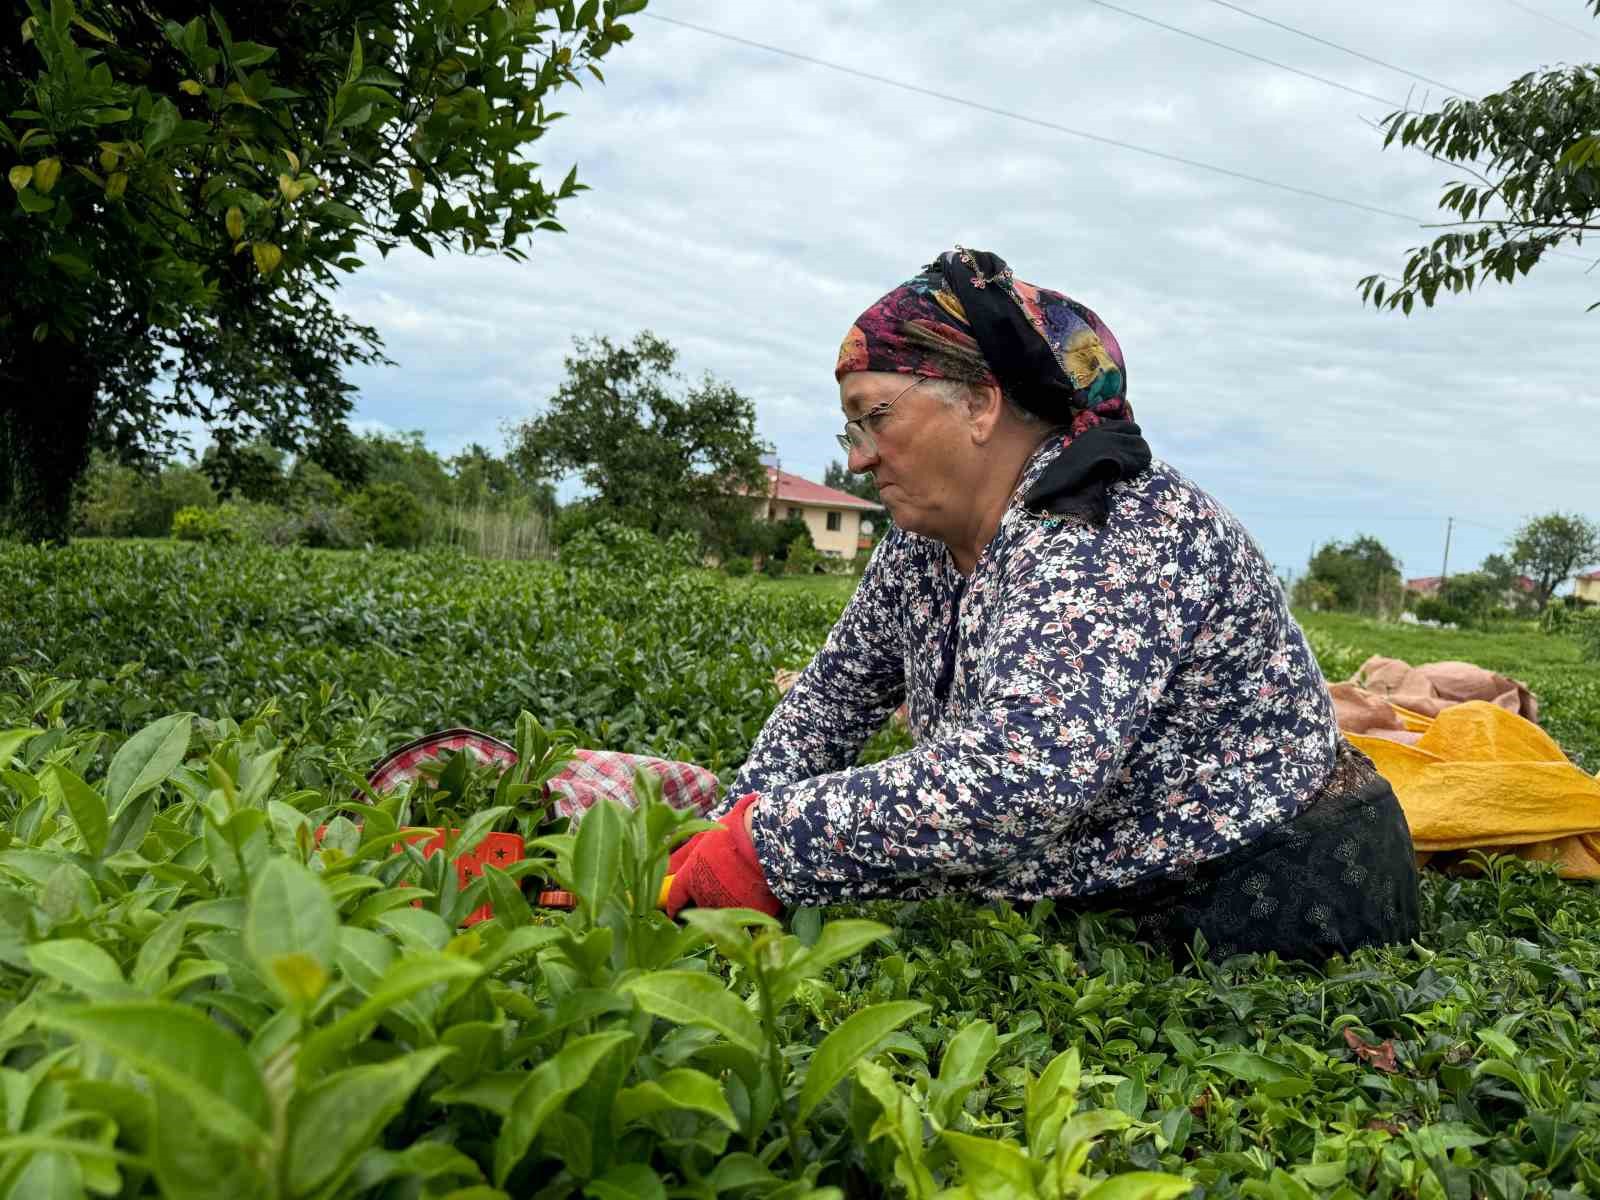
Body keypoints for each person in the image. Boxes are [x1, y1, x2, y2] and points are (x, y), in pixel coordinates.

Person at [666, 247, 1420, 961]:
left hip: (1258, 894)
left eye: (876, 417)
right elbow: (834, 695)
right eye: (851, 426)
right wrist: (717, 836)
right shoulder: (923, 539)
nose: (858, 456)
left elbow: (1027, 773)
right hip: (1102, 880)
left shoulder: (1104, 524)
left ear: (981, 406)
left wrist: (766, 842)